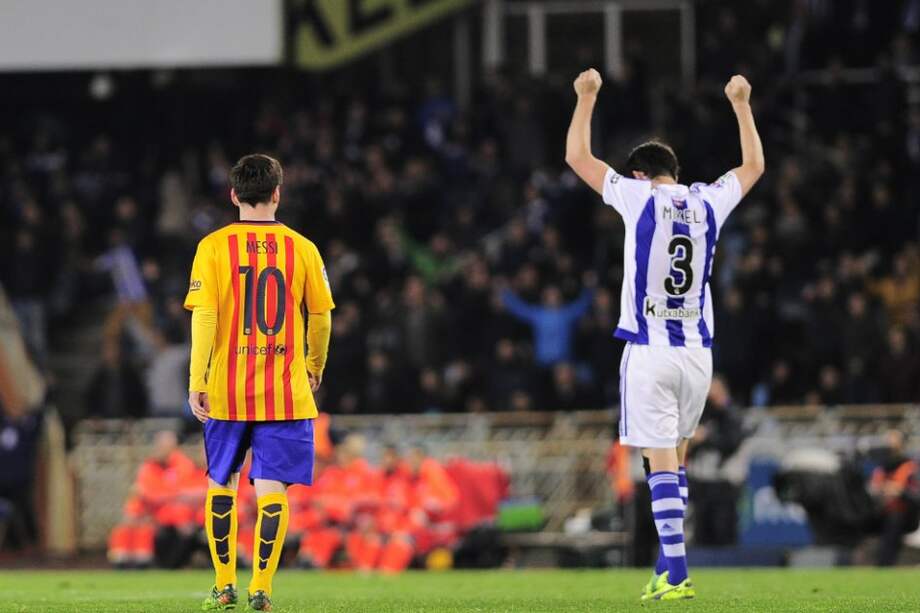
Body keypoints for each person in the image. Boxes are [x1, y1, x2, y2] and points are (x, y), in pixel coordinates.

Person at [565, 69, 764, 600]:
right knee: (674, 458)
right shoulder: (707, 202)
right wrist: (742, 105)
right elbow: (753, 166)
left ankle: (676, 572)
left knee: (658, 462)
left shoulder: (637, 197)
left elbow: (578, 159)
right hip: (698, 355)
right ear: (676, 172)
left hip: (650, 350)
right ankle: (665, 567)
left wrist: (586, 98)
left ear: (639, 173)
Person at [186, 154, 335, 611]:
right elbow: (321, 317)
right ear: (277, 194)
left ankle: (225, 585)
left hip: (227, 389)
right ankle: (262, 589)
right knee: (271, 490)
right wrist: (314, 366)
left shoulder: (212, 247)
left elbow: (206, 316)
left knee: (221, 484)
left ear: (234, 195)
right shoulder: (304, 248)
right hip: (285, 392)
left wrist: (197, 379)